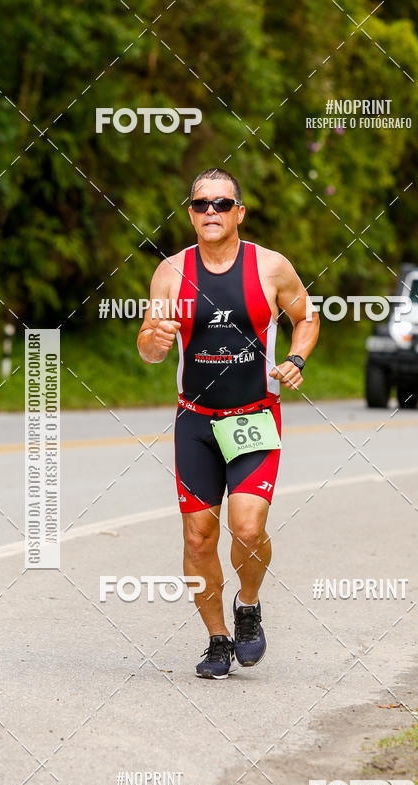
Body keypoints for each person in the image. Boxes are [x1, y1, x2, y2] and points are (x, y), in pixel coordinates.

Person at [137, 168, 319, 678]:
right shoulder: (172, 272)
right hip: (194, 419)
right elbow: (149, 347)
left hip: (254, 416)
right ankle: (217, 639)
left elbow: (306, 316)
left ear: (240, 211)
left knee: (247, 525)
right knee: (197, 538)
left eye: (221, 204)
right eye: (200, 205)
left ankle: (249, 603)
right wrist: (157, 337)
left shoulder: (271, 267)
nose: (210, 212)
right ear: (190, 213)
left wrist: (297, 359)